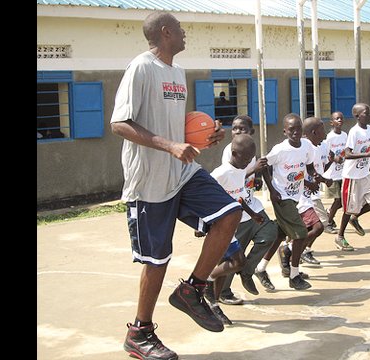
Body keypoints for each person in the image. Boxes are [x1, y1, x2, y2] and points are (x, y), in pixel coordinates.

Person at [110, 11, 242, 360]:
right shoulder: (141, 67)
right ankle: (139, 333)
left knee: (229, 214)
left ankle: (192, 290)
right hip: (149, 180)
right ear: (165, 32)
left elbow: (172, 125)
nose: (185, 34)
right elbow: (119, 123)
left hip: (181, 171)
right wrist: (169, 145)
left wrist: (201, 137)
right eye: (181, 29)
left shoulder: (177, 72)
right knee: (157, 260)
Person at [202, 134, 265, 325]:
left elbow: (238, 197)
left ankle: (214, 301)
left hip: (231, 226)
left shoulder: (239, 171)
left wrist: (252, 214)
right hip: (218, 228)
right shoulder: (220, 174)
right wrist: (201, 223)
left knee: (230, 263)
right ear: (234, 153)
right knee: (238, 261)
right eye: (246, 159)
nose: (248, 163)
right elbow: (203, 196)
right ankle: (207, 280)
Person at [217, 115, 279, 300]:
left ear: (251, 132)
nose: (237, 132)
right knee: (234, 254)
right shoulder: (232, 151)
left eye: (242, 129)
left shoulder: (249, 147)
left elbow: (263, 168)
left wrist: (267, 184)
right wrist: (254, 170)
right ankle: (222, 292)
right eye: (235, 128)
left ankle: (247, 271)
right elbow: (233, 179)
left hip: (251, 203)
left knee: (270, 232)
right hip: (237, 208)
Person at [261, 113, 318, 290]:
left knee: (279, 234)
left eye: (298, 129)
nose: (295, 132)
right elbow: (263, 165)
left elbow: (308, 165)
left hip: (295, 197)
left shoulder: (307, 145)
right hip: (282, 197)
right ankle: (294, 275)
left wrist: (312, 178)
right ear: (285, 131)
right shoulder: (280, 150)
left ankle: (260, 268)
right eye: (291, 129)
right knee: (300, 234)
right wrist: (271, 191)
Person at [334, 103, 370, 251]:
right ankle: (340, 236)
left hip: (365, 174)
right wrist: (368, 154)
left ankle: (356, 218)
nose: (369, 116)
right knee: (348, 208)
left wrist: (369, 162)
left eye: (369, 113)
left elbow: (368, 147)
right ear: (357, 116)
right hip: (352, 177)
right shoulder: (353, 132)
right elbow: (347, 154)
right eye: (366, 113)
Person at [299, 116, 333, 265]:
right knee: (320, 224)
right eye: (322, 131)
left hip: (312, 193)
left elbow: (318, 171)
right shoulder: (304, 149)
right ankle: (300, 250)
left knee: (305, 227)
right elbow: (300, 174)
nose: (325, 135)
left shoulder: (321, 146)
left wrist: (326, 176)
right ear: (313, 132)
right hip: (304, 196)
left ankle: (295, 251)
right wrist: (318, 181)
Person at [323, 111, 348, 234]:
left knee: (344, 201)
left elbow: (347, 150)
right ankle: (328, 222)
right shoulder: (330, 137)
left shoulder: (345, 135)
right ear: (331, 122)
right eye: (337, 118)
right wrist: (334, 159)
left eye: (341, 118)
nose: (340, 120)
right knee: (338, 200)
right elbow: (326, 153)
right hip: (331, 174)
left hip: (342, 173)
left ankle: (328, 213)